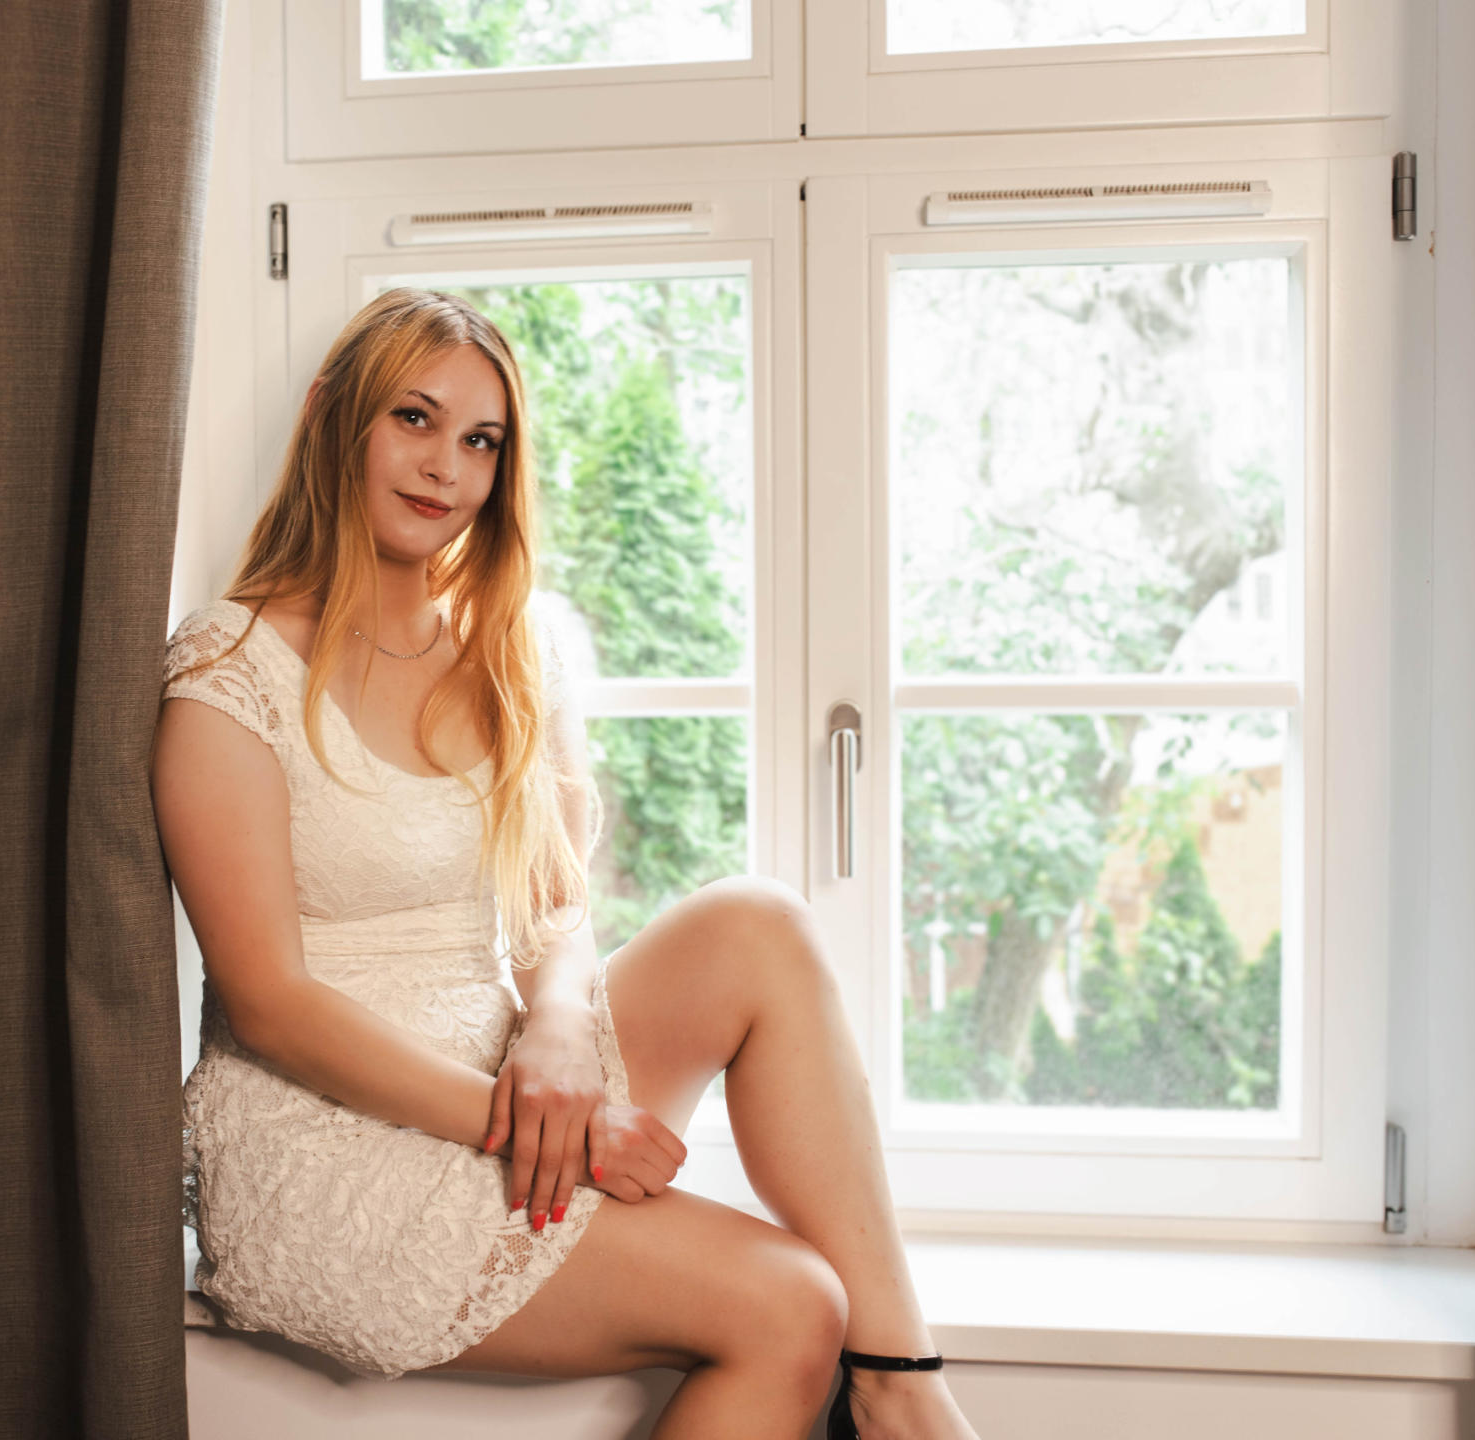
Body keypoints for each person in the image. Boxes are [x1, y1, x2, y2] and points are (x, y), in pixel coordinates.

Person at [151, 286, 984, 1440]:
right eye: (413, 418)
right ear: (330, 414)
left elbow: (554, 906)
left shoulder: (508, 649)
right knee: (794, 1304)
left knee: (760, 924)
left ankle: (899, 1384)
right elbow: (272, 1004)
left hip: (503, 1073)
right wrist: (553, 1126)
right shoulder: (227, 665)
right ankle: (900, 1402)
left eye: (481, 441)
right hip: (327, 1147)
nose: (445, 467)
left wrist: (552, 1028)